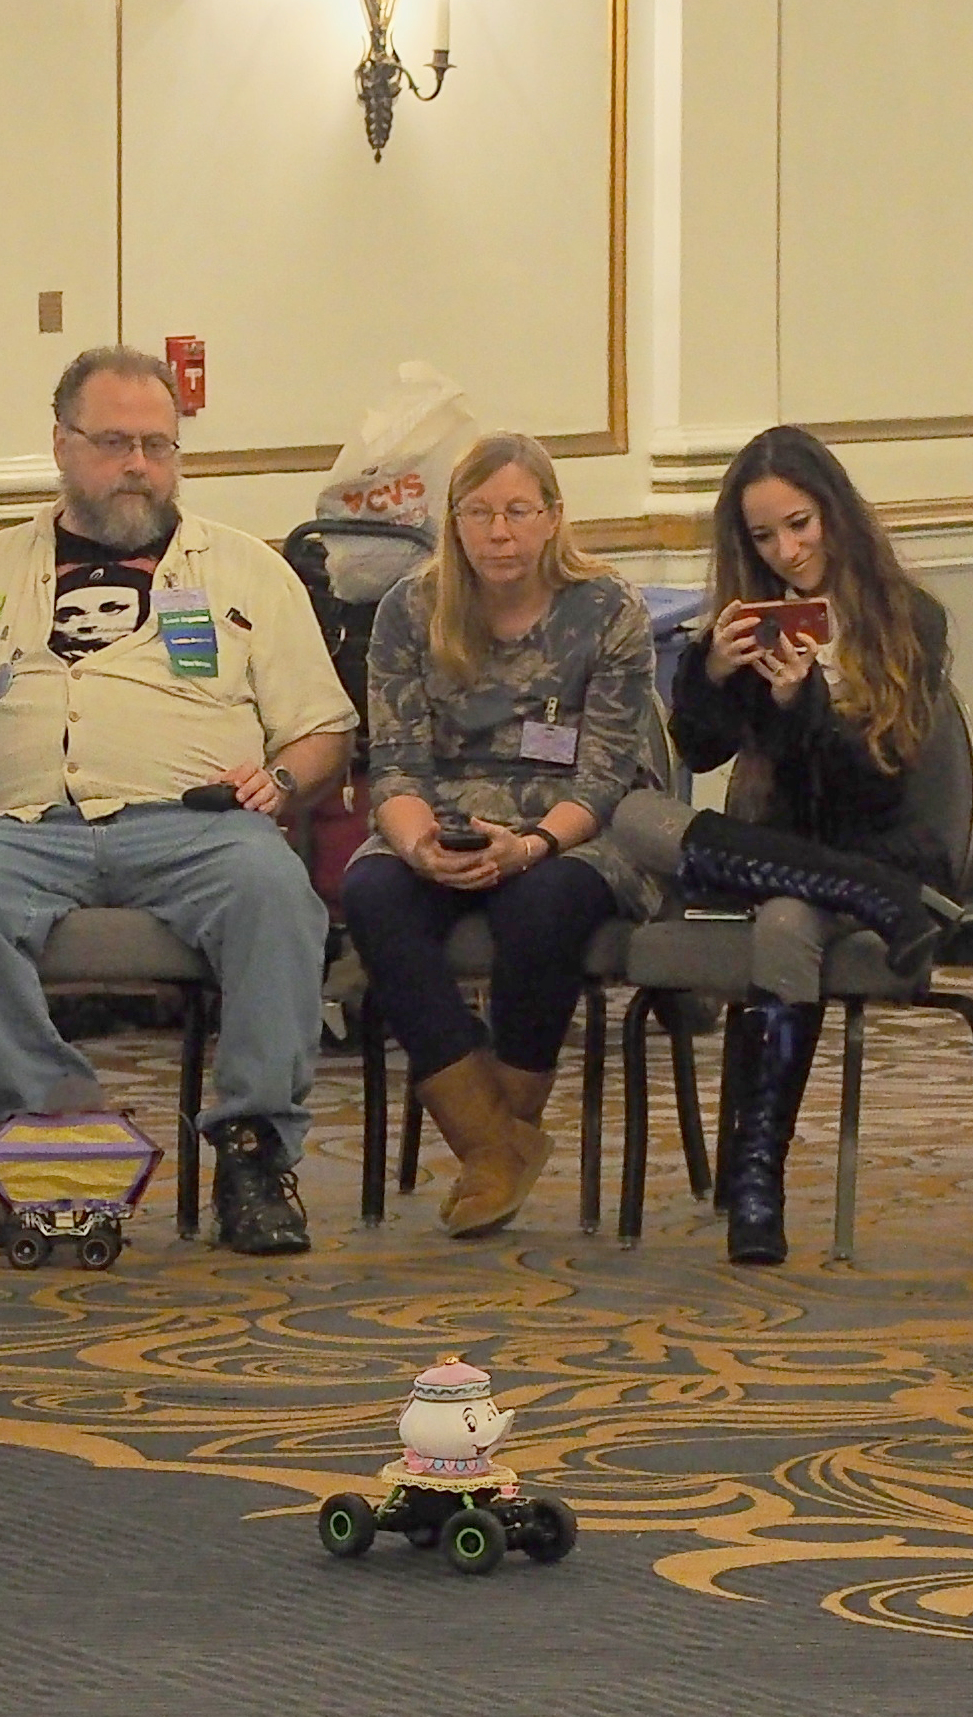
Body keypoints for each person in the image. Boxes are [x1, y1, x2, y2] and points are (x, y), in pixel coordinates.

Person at [0, 347, 358, 1256]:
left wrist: (280, 780)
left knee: (275, 890)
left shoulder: (245, 570)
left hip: (195, 825)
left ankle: (253, 1153)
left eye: (159, 445)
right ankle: (53, 1131)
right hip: (24, 827)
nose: (139, 465)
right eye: (115, 443)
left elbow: (323, 731)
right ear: (61, 445)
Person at [611, 424, 961, 1265]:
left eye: (800, 525)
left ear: (834, 511)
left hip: (882, 848)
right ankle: (874, 904)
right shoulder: (754, 619)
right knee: (632, 815)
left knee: (784, 923)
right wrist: (711, 672)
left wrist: (805, 706)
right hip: (793, 859)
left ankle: (756, 1181)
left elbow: (874, 791)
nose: (788, 552)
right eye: (765, 537)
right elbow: (699, 752)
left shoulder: (910, 619)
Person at [340, 433, 661, 1239]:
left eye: (518, 511)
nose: (499, 532)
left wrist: (529, 846)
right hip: (442, 817)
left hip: (574, 831)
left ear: (553, 517)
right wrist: (418, 846)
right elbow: (397, 766)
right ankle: (493, 1144)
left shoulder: (609, 609)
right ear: (454, 521)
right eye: (479, 512)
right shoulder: (409, 610)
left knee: (540, 903)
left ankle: (493, 1146)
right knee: (373, 892)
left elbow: (604, 778)